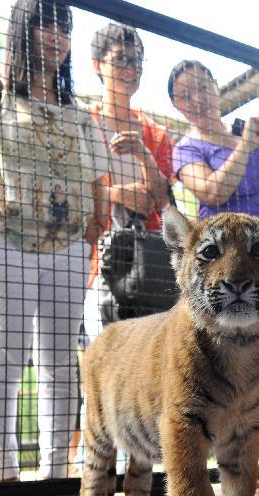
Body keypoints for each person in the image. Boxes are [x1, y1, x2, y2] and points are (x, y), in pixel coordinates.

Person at [0, 0, 110, 496]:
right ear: (25, 30)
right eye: (46, 26)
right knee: (5, 358)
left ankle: (56, 474)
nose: (56, 37)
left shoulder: (77, 109)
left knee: (60, 362)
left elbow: (98, 177)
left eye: (64, 28)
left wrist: (93, 228)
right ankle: (2, 476)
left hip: (69, 248)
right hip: (3, 241)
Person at [168, 60, 259, 462]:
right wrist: (246, 143)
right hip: (221, 264)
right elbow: (215, 189)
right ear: (178, 106)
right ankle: (213, 451)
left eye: (203, 86)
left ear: (216, 89)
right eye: (185, 93)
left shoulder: (255, 134)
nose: (198, 97)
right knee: (210, 359)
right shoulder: (187, 147)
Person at [83, 22, 173, 339]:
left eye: (137, 61)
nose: (131, 69)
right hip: (95, 262)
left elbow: (162, 201)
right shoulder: (84, 122)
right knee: (103, 363)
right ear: (98, 65)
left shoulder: (157, 134)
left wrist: (144, 156)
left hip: (147, 266)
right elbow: (75, 194)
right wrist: (121, 193)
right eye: (121, 59)